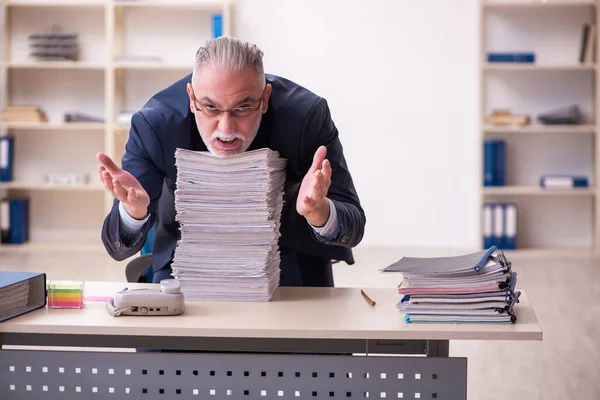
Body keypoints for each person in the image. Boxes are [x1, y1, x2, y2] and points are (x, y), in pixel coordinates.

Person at [97, 36, 366, 287]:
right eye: (211, 107)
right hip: (187, 265)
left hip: (289, 264)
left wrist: (320, 212)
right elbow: (116, 246)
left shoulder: (305, 118)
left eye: (243, 108)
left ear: (265, 99)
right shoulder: (155, 126)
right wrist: (132, 214)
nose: (225, 129)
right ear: (191, 99)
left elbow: (353, 226)